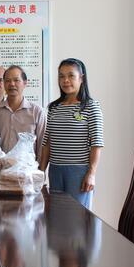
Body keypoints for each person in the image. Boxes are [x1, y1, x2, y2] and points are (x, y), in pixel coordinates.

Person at [39, 58, 104, 209]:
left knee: (78, 216)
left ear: (82, 78)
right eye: (61, 76)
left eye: (71, 76)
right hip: (55, 170)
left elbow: (97, 143)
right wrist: (41, 172)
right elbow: (47, 142)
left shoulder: (91, 107)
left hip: (79, 172)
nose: (65, 80)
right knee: (56, 215)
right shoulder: (54, 108)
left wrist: (91, 174)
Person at [0, 65, 46, 159]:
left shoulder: (37, 112)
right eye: (7, 80)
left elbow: (42, 146)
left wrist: (40, 167)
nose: (12, 84)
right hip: (0, 167)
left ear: (25, 83)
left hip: (27, 167)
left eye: (16, 80)